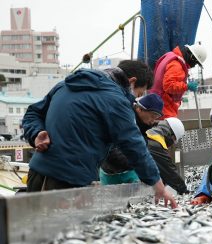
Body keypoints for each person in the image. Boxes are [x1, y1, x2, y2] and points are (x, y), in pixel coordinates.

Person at [22, 60, 176, 208]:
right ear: (132, 81)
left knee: (34, 229)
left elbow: (32, 113)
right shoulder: (116, 99)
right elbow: (134, 146)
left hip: (37, 172)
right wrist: (159, 186)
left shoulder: (64, 85)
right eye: (138, 93)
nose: (135, 99)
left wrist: (36, 133)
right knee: (58, 232)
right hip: (67, 182)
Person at [100, 93, 164, 185]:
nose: (153, 120)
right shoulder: (124, 118)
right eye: (152, 116)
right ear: (139, 109)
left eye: (156, 118)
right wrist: (138, 162)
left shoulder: (144, 127)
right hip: (109, 171)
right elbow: (111, 152)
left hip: (129, 171)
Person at [149, 43, 207, 118]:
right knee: (168, 128)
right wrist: (187, 86)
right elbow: (168, 86)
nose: (194, 66)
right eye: (196, 63)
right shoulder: (177, 65)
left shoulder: (170, 55)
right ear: (192, 57)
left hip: (157, 104)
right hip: (164, 108)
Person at [146, 117, 189, 195]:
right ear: (170, 133)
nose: (172, 142)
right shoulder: (156, 141)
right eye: (174, 139)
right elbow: (168, 170)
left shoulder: (150, 131)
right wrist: (184, 190)